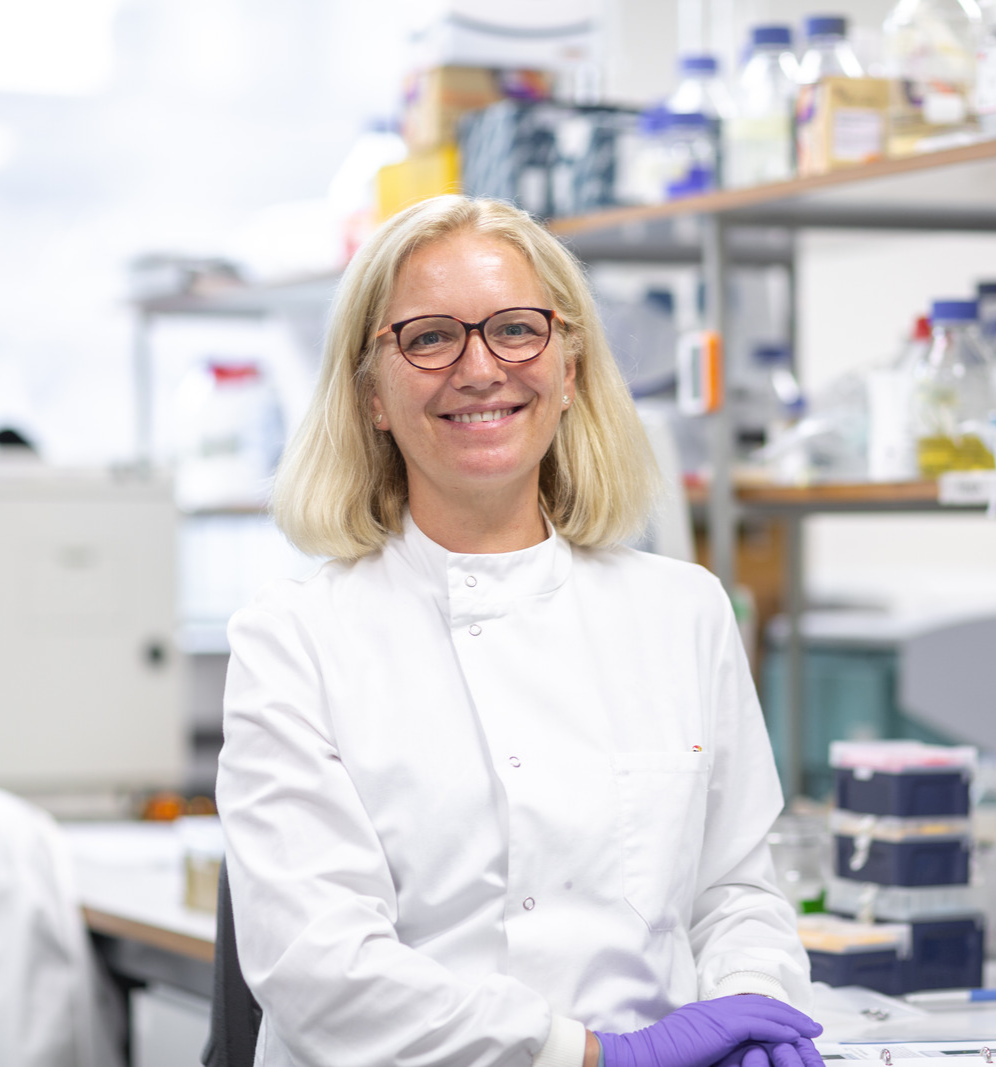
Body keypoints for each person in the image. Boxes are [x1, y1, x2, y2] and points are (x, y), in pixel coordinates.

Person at [216, 195, 822, 1067]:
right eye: (428, 337)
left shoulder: (683, 612)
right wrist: (595, 1056)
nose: (479, 368)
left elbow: (733, 891)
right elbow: (321, 971)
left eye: (515, 329)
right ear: (372, 396)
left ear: (569, 369)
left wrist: (751, 1008)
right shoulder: (295, 640)